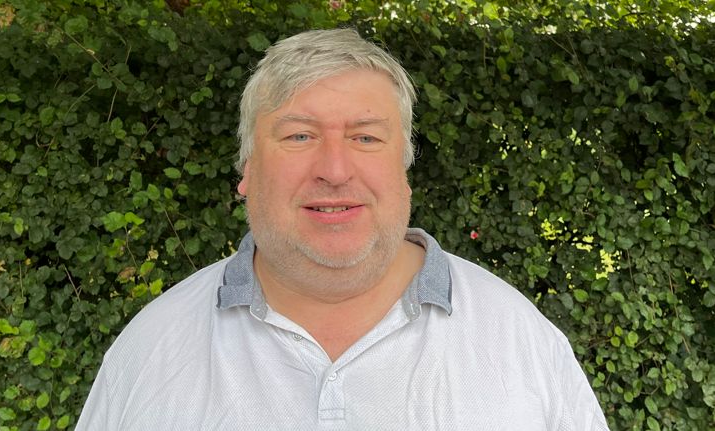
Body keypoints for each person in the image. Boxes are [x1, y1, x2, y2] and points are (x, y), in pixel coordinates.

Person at [75, 28, 609, 430]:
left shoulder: (521, 341)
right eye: (300, 137)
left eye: (367, 138)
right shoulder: (150, 351)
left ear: (403, 171)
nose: (334, 169)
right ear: (247, 172)